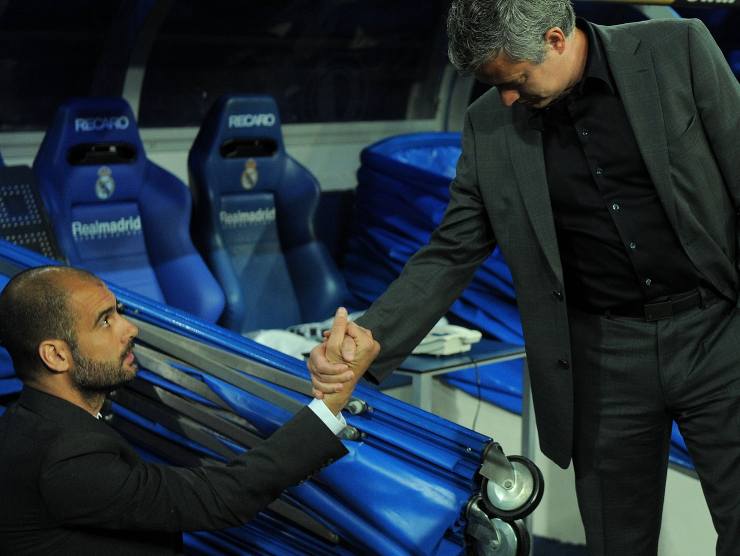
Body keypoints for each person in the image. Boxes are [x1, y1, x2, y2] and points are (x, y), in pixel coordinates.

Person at [309, 1, 740, 554]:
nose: (507, 99)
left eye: (514, 81)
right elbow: (451, 250)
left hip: (717, 332)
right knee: (618, 539)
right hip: (605, 358)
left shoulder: (675, 51)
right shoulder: (489, 124)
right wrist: (370, 338)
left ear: (557, 39)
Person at [0, 265, 379, 555]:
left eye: (118, 312)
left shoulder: (33, 424)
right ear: (56, 355)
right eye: (105, 321)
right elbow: (223, 497)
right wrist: (333, 400)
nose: (130, 328)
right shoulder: (67, 460)